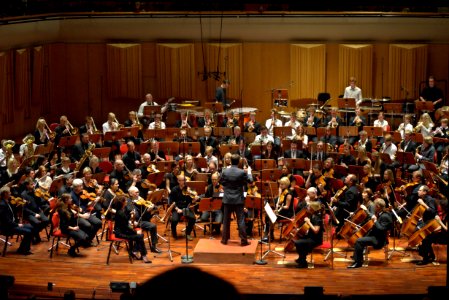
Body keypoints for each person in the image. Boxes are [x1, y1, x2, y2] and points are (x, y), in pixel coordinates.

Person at [347, 198, 392, 268]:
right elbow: (372, 219)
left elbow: (381, 229)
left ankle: (358, 263)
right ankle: (356, 259)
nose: (373, 207)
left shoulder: (385, 216)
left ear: (378, 207)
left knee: (359, 241)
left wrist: (375, 221)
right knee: (359, 238)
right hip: (375, 236)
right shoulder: (381, 214)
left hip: (379, 240)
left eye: (374, 205)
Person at [219, 153, 253, 246]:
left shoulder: (225, 171)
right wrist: (249, 172)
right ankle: (243, 241)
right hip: (238, 199)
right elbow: (250, 181)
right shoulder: (241, 172)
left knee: (226, 220)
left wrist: (227, 187)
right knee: (240, 220)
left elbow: (221, 182)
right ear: (238, 162)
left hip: (227, 199)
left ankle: (224, 240)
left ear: (230, 161)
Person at [112, 195, 152, 263]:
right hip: (120, 233)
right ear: (122, 203)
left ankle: (135, 252)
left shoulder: (120, 211)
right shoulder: (120, 213)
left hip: (122, 231)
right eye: (125, 200)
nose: (127, 201)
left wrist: (129, 215)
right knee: (140, 236)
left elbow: (124, 221)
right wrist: (135, 232)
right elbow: (125, 227)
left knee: (140, 236)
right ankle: (142, 255)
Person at [0, 186, 34, 255]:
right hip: (7, 227)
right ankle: (23, 250)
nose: (10, 193)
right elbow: (6, 220)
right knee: (28, 231)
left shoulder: (7, 202)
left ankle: (23, 249)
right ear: (5, 194)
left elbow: (12, 214)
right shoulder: (2, 205)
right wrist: (17, 224)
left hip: (12, 225)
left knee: (31, 227)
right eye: (9, 192)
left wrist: (18, 206)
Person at [416, 198, 448, 265]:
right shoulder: (444, 214)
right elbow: (442, 227)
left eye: (441, 206)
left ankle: (425, 259)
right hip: (442, 233)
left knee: (426, 240)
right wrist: (432, 231)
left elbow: (446, 229)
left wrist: (439, 221)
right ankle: (431, 255)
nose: (439, 207)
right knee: (426, 237)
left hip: (445, 237)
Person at [293, 200, 324, 268]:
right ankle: (302, 258)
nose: (307, 208)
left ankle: (303, 261)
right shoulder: (312, 215)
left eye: (309, 207)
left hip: (315, 239)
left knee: (298, 243)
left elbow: (316, 231)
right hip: (311, 236)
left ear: (313, 209)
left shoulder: (317, 218)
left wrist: (308, 222)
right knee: (297, 240)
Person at [168, 174, 198, 240]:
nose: (183, 182)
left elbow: (191, 201)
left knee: (193, 218)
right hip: (177, 208)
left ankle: (187, 233)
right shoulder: (174, 189)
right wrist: (177, 209)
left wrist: (194, 199)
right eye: (181, 180)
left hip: (186, 208)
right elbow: (171, 201)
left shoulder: (188, 189)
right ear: (178, 181)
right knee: (174, 220)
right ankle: (174, 233)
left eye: (184, 180)